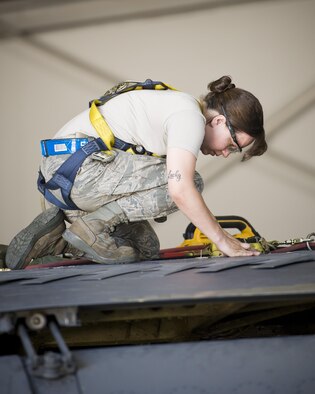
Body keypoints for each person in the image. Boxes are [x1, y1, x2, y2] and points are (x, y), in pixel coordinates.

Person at [5, 76, 267, 269]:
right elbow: (180, 189)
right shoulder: (189, 116)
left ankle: (56, 242)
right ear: (219, 121)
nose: (224, 154)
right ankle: (91, 227)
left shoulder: (174, 105)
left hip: (62, 180)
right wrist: (221, 239)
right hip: (82, 172)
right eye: (231, 145)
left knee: (144, 249)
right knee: (192, 182)